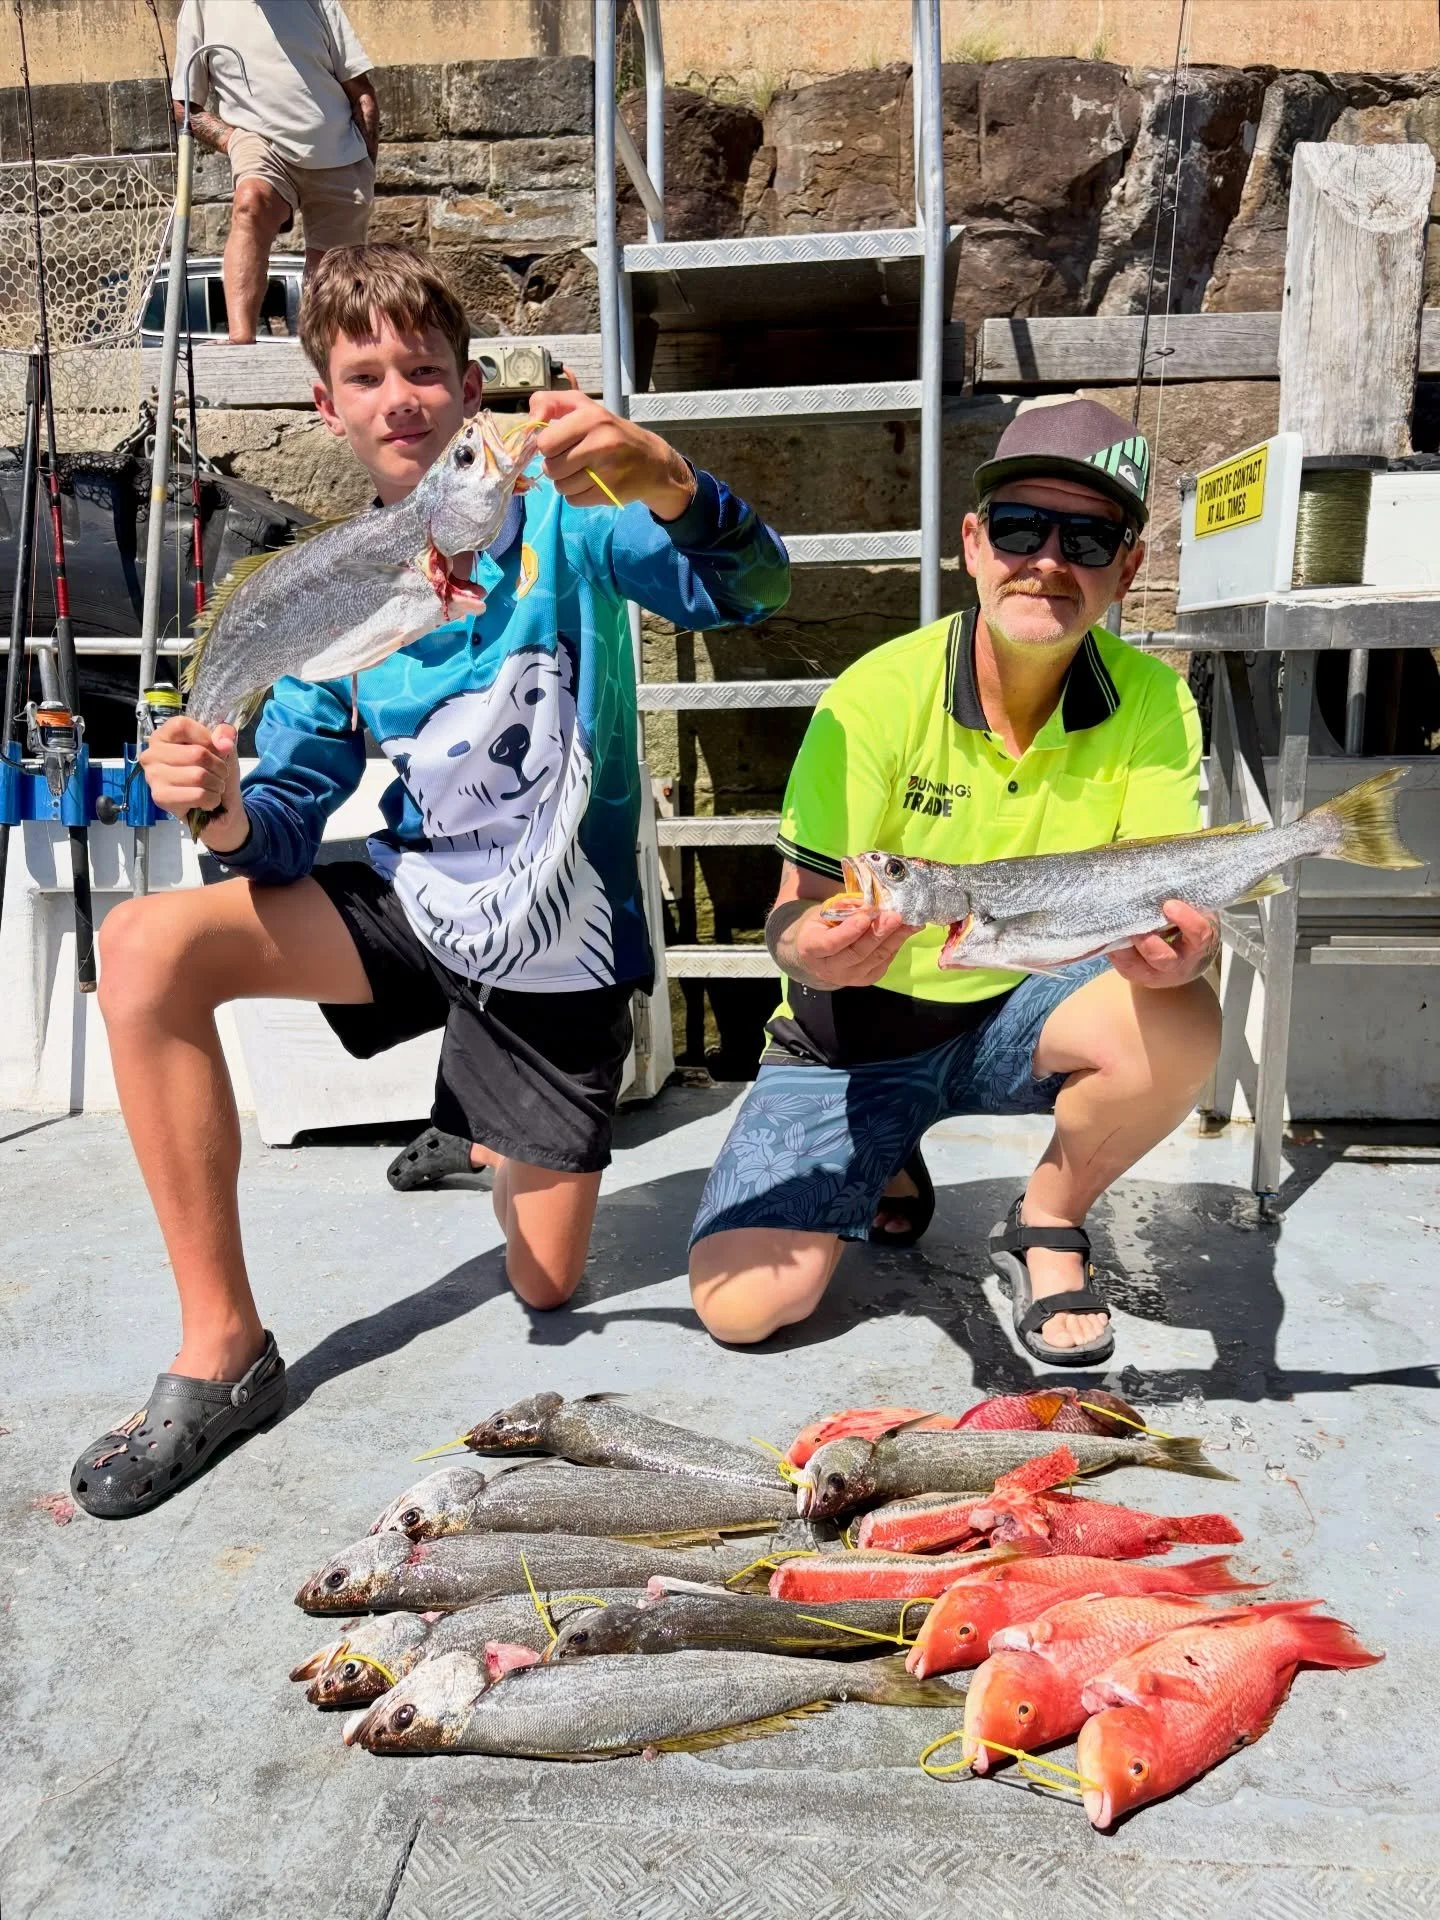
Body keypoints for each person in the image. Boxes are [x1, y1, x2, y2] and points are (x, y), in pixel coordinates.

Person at [71, 244, 789, 1518]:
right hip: (414, 908)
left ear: (468, 391)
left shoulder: (573, 524)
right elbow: (285, 822)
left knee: (548, 1285)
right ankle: (221, 1344)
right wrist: (225, 805)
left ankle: (483, 1122)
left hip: (560, 937)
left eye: (426, 374)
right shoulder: (324, 588)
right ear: (328, 406)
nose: (401, 397)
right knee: (144, 945)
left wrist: (671, 482)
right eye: (367, 375)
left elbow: (752, 591)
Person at [688, 398, 1222, 1368]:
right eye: (1020, 527)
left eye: (1090, 537)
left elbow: (1152, 903)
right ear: (974, 544)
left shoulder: (1154, 700)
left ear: (1129, 568)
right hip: (851, 1034)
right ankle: (887, 1143)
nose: (1049, 560)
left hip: (1018, 1004)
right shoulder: (877, 696)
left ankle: (1049, 1220)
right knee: (743, 1307)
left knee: (1182, 1015)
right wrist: (819, 953)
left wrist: (1168, 955)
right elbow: (789, 923)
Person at [172, 0, 380, 343]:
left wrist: (366, 166)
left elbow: (362, 94)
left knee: (333, 273)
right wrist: (231, 138)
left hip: (338, 150)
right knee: (250, 203)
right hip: (259, 140)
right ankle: (241, 337)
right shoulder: (203, 4)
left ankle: (320, 349)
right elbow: (185, 106)